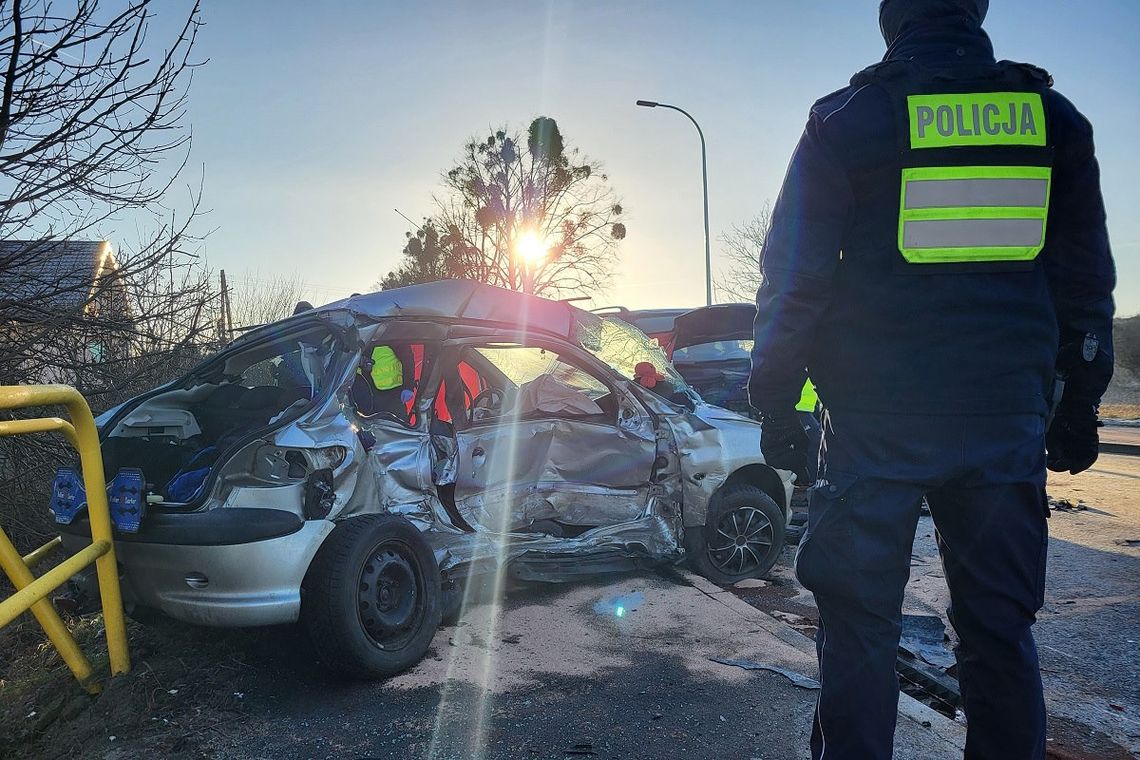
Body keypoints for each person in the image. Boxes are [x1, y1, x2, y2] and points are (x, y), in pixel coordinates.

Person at [747, 2, 1115, 758]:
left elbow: (794, 280)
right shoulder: (1051, 121)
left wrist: (776, 401)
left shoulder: (848, 121)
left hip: (877, 421)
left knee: (859, 629)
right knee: (1000, 633)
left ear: (893, 18)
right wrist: (1079, 403)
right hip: (1002, 420)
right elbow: (1085, 286)